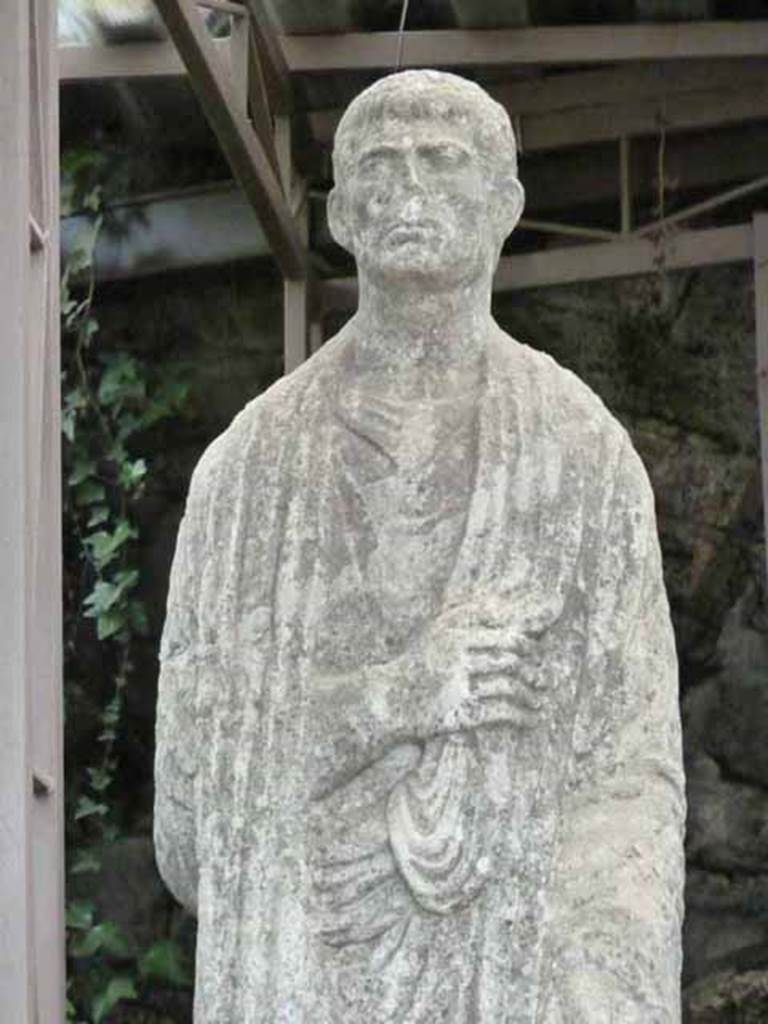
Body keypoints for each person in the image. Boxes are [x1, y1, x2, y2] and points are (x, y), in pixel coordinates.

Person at [155, 70, 685, 1023]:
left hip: (517, 972)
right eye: (380, 167)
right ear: (342, 213)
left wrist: (601, 981)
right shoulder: (245, 473)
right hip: (299, 969)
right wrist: (406, 691)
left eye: (442, 162)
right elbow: (192, 812)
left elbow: (629, 776)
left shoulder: (582, 455)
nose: (409, 190)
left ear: (506, 204)